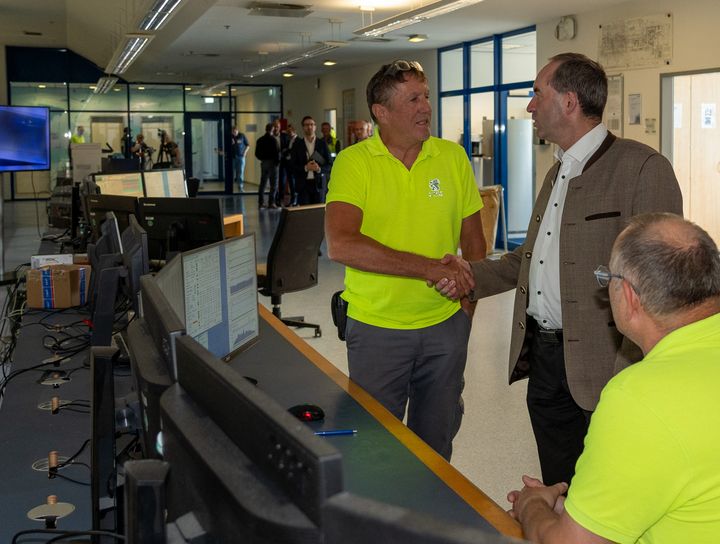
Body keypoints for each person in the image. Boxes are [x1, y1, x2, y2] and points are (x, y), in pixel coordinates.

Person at [436, 52, 683, 486]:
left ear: (569, 102)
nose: (529, 106)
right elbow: (527, 262)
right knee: (560, 484)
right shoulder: (556, 174)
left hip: (609, 365)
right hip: (546, 361)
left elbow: (663, 284)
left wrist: (632, 373)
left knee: (611, 488)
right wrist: (468, 274)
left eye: (536, 93)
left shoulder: (642, 168)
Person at [508, 213, 720, 543]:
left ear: (630, 297)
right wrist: (583, 511)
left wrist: (532, 506)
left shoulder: (638, 397)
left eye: (607, 277)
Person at [325, 60, 486, 460]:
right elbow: (341, 244)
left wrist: (467, 307)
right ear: (381, 112)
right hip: (378, 331)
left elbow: (475, 241)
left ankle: (429, 521)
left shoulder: (451, 158)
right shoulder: (354, 163)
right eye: (413, 99)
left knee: (436, 443)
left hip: (445, 328)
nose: (426, 107)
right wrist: (430, 267)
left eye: (426, 96)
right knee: (378, 448)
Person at [291, 116, 330, 205]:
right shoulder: (297, 144)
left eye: (312, 124)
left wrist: (319, 169)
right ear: (303, 127)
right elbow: (292, 166)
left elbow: (330, 164)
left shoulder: (322, 144)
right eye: (306, 125)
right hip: (303, 185)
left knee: (318, 213)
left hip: (319, 184)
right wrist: (305, 168)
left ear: (315, 127)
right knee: (305, 214)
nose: (309, 127)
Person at [255, 121, 280, 208]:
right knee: (274, 184)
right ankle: (271, 203)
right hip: (273, 163)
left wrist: (262, 159)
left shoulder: (260, 140)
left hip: (264, 163)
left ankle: (261, 202)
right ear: (272, 129)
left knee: (263, 183)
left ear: (266, 129)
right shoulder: (274, 140)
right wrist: (277, 163)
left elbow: (257, 153)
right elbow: (277, 153)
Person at [279, 123, 297, 206]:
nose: (288, 134)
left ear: (293, 131)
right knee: (290, 182)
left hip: (294, 165)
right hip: (287, 164)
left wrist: (288, 151)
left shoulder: (298, 140)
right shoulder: (288, 139)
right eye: (287, 132)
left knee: (293, 183)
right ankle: (290, 199)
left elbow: (293, 151)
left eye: (290, 132)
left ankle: (294, 200)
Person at [231, 126, 249, 192]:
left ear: (237, 130)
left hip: (241, 157)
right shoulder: (230, 136)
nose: (234, 133)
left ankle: (240, 187)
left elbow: (248, 145)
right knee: (231, 172)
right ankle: (230, 188)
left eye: (235, 131)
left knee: (240, 172)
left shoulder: (242, 136)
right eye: (233, 132)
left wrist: (245, 153)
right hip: (232, 157)